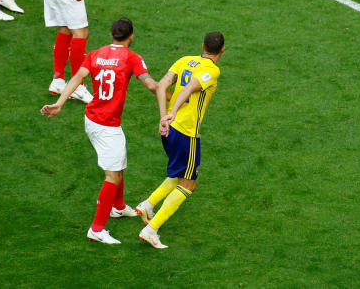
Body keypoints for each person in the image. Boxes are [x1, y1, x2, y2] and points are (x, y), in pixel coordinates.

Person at [41, 17, 163, 244]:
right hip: (106, 126)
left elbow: (77, 77)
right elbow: (151, 85)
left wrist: (60, 103)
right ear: (131, 36)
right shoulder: (131, 57)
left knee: (119, 162)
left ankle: (117, 207)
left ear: (111, 35)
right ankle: (97, 229)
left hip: (92, 118)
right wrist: (170, 91)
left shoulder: (95, 54)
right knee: (113, 175)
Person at [136, 31, 225, 249]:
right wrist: (173, 112)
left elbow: (160, 86)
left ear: (202, 45)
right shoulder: (212, 70)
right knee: (189, 184)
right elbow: (190, 88)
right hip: (186, 132)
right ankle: (151, 229)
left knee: (179, 174)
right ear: (222, 50)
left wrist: (163, 117)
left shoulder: (184, 60)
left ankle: (147, 205)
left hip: (169, 129)